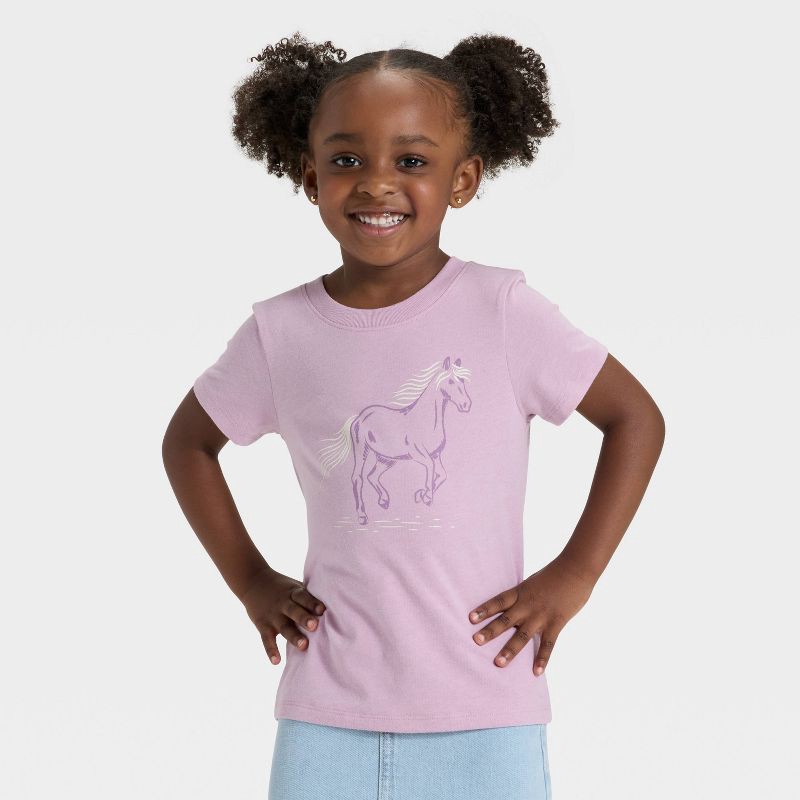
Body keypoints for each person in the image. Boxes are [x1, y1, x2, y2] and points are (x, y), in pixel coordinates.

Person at [162, 30, 665, 800]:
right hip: (327, 716)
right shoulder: (279, 333)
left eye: (411, 161)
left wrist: (576, 573)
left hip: (486, 713)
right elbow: (189, 444)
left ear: (463, 180)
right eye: (346, 160)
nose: (376, 184)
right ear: (309, 176)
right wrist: (252, 581)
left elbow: (635, 418)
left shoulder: (503, 311)